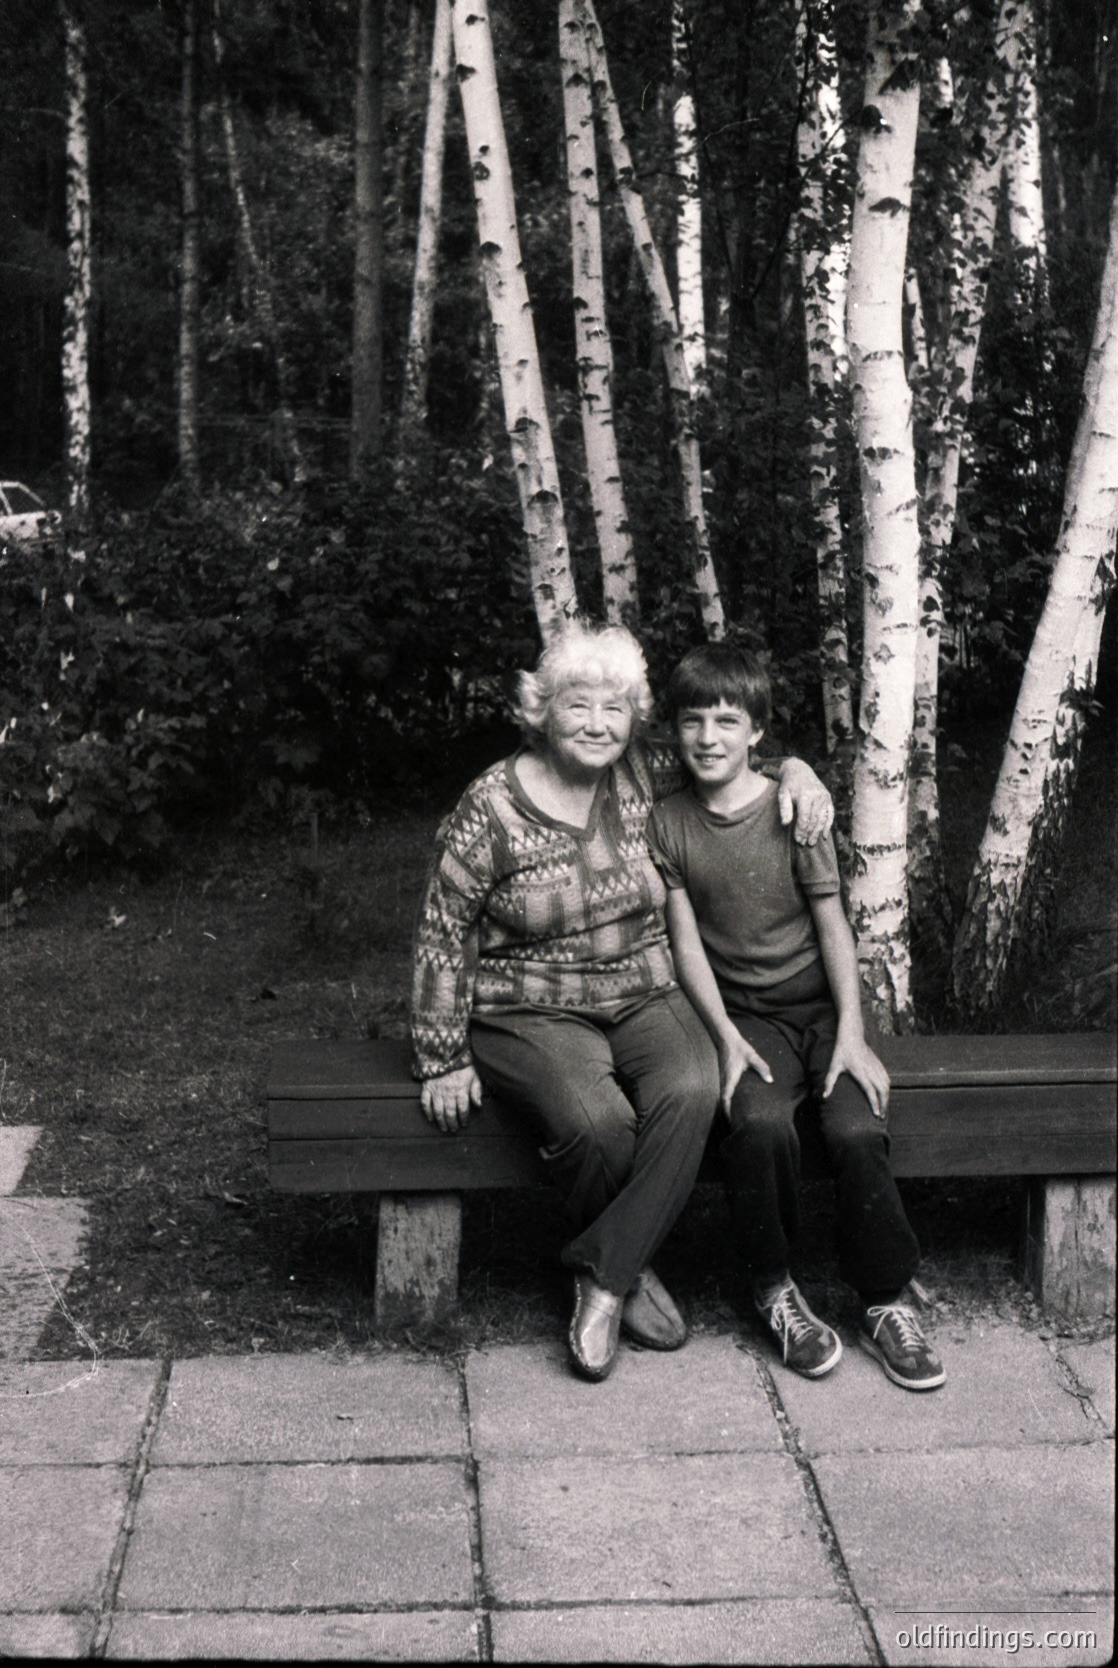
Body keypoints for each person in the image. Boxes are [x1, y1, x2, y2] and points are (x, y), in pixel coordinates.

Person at [410, 621, 832, 1383]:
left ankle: (600, 1274)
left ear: (634, 716)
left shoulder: (643, 770)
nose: (599, 725)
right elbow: (445, 930)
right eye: (578, 706)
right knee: (599, 1123)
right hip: (527, 1005)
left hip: (640, 987)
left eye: (615, 709)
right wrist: (441, 1057)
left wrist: (800, 771)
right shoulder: (491, 806)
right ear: (543, 710)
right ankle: (626, 1274)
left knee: (696, 1086)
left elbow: (733, 751)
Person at [648, 642, 944, 1391]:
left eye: (726, 720)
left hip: (822, 1009)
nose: (708, 738)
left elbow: (833, 924)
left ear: (757, 733)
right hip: (745, 1017)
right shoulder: (669, 822)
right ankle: (775, 1287)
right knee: (758, 1124)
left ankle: (883, 1297)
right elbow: (687, 948)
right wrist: (726, 1041)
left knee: (854, 1127)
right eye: (692, 721)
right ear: (674, 730)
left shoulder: (794, 809)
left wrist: (851, 1032)